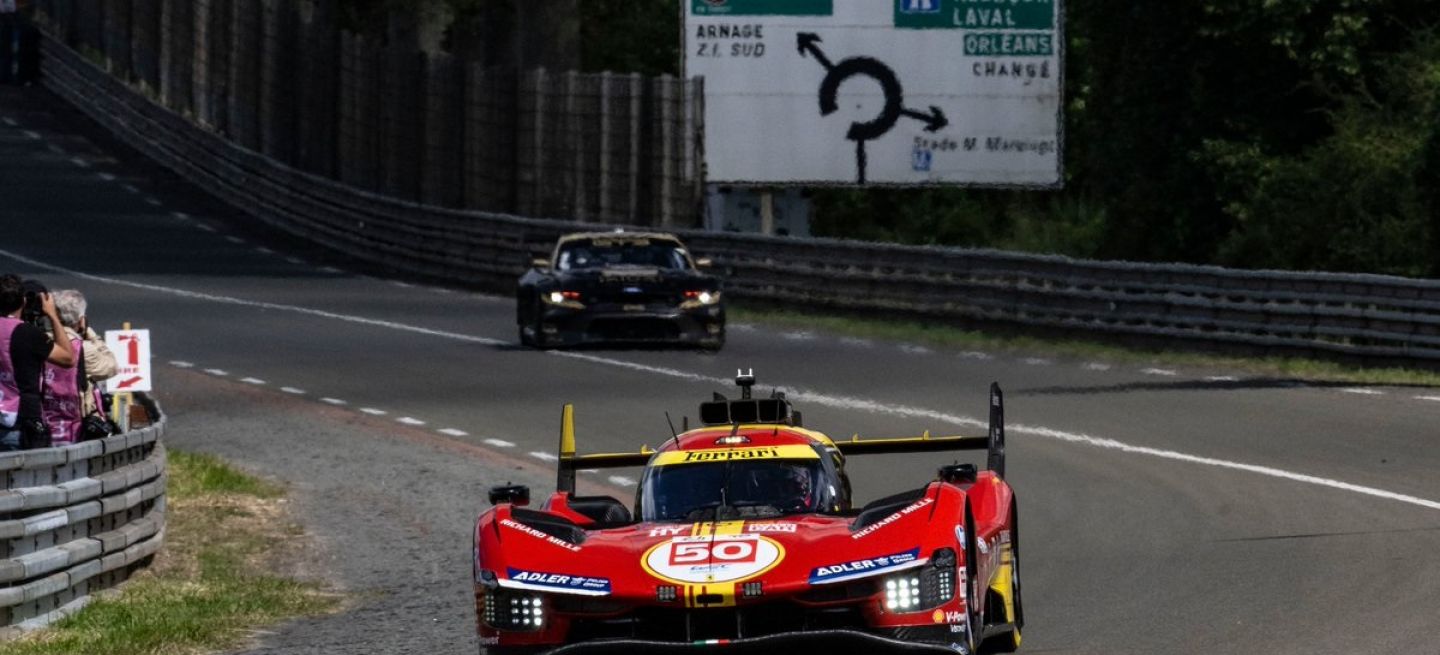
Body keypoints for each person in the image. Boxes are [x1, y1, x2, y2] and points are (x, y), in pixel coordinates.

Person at [0, 275, 75, 450]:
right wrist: (53, 315)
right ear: (24, 301)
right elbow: (67, 358)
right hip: (21, 422)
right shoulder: (29, 334)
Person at [43, 290, 116, 445]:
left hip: (43, 423)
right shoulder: (83, 348)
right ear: (81, 319)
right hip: (75, 428)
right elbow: (111, 366)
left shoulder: (38, 341)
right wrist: (91, 334)